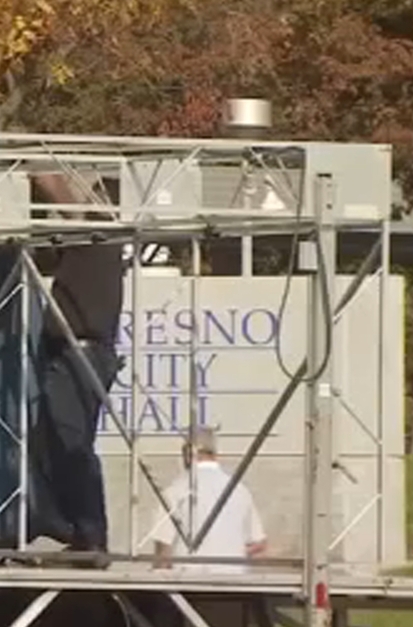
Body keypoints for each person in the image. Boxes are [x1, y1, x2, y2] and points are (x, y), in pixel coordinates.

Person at [27, 171, 126, 564]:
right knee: (51, 440)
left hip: (80, 352)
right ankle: (68, 525)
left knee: (70, 441)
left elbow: (58, 191)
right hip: (74, 353)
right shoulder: (91, 242)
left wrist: (38, 167)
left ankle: (88, 533)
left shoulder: (98, 233)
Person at [149, 425, 268, 570]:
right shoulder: (240, 490)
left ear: (187, 454)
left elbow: (163, 551)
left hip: (188, 579)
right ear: (215, 454)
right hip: (233, 578)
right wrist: (233, 552)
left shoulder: (175, 491)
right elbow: (259, 545)